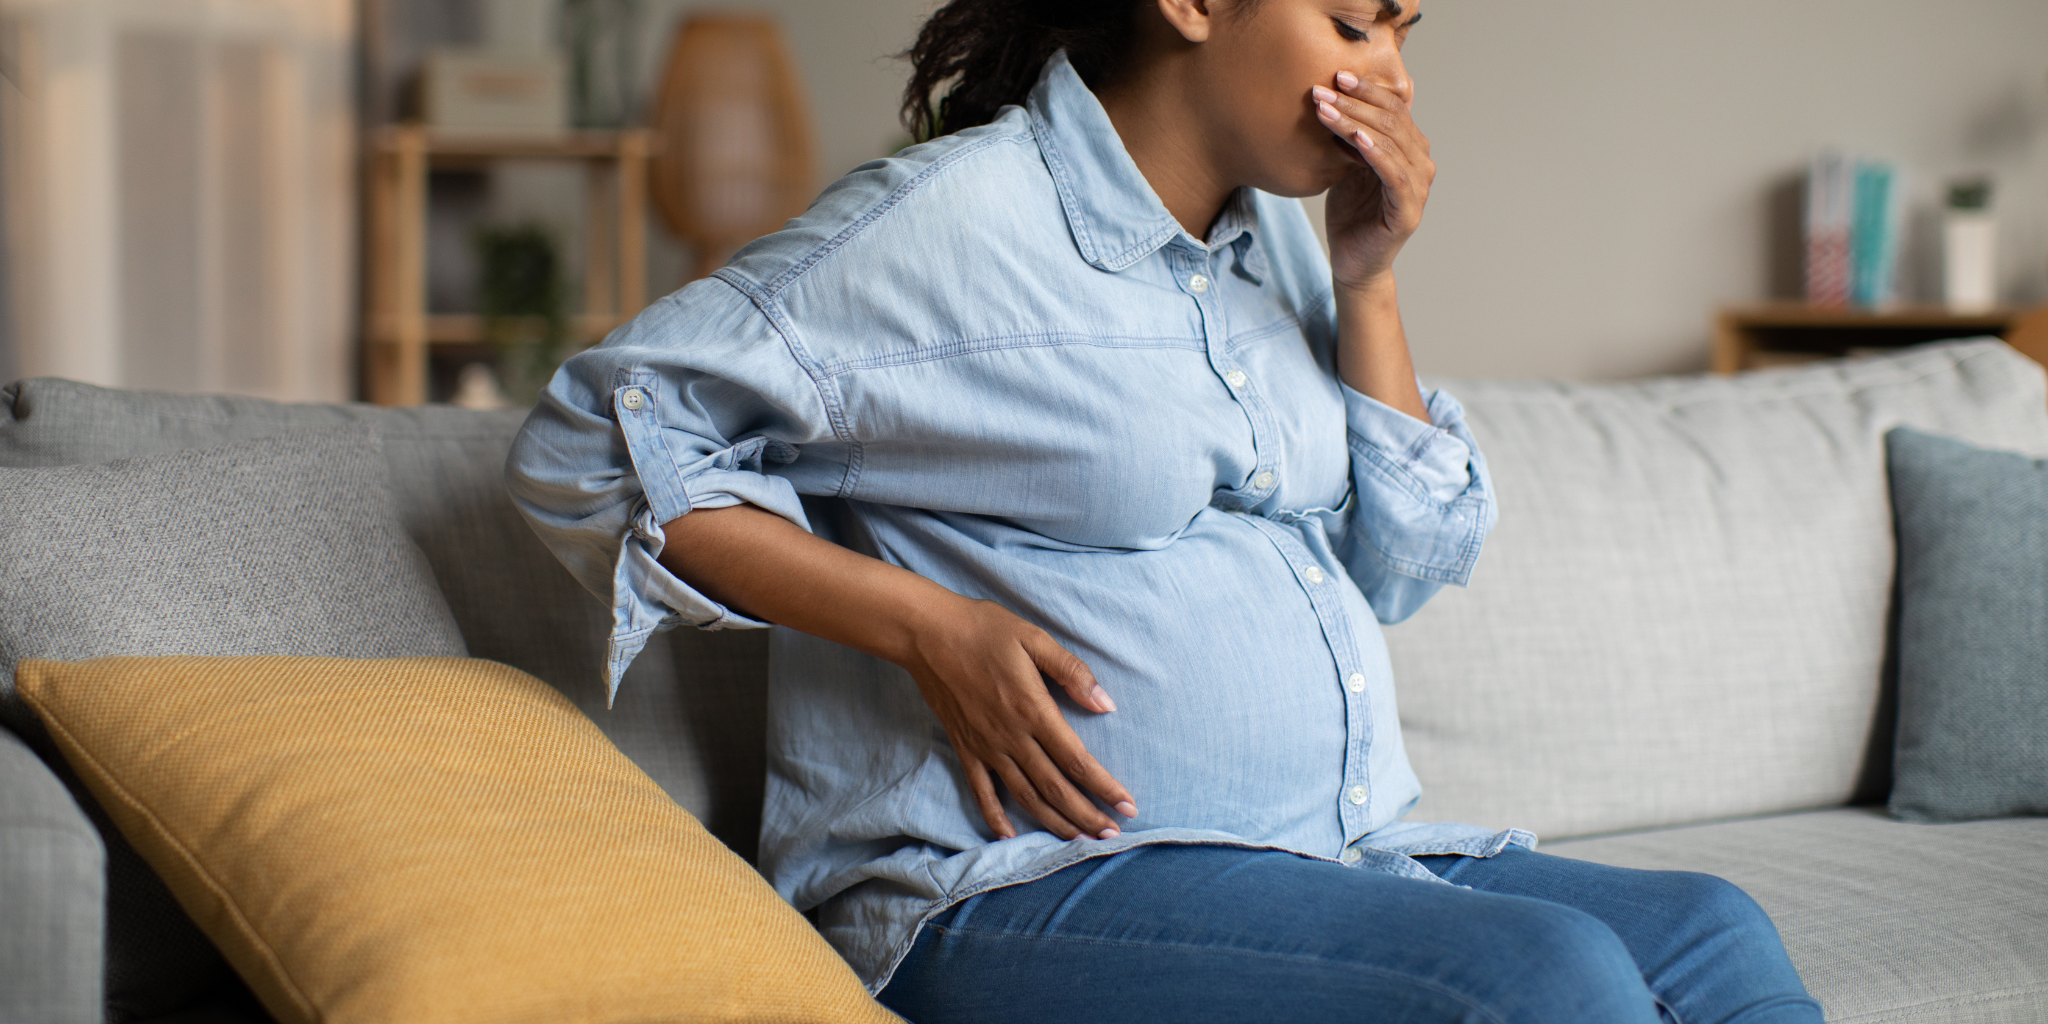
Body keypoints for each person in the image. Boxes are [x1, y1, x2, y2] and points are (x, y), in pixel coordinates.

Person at [507, 1, 1826, 1021]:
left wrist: (1369, 287)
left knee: (1715, 932)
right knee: (1538, 977)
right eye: (1357, 20)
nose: (1400, 75)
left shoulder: (1277, 249)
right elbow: (592, 441)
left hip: (1319, 859)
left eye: (1408, 29)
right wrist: (922, 627)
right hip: (1003, 893)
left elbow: (1412, 563)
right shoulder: (950, 226)